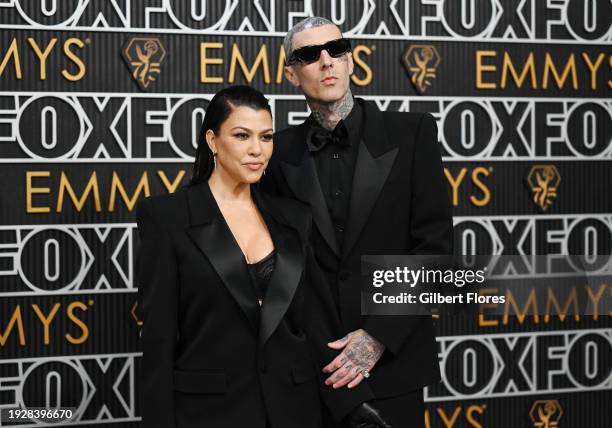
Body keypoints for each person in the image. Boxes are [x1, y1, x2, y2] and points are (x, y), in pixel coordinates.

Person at [261, 17, 454, 428]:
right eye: (309, 55)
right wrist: (325, 355)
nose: (326, 61)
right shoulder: (277, 155)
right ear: (291, 74)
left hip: (395, 364)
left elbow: (435, 254)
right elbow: (281, 272)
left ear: (351, 61)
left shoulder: (413, 133)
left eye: (336, 49)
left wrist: (377, 337)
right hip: (315, 372)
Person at [135, 85, 322, 428]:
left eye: (266, 137)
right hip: (209, 414)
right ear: (212, 140)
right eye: (241, 135)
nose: (257, 150)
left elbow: (310, 323)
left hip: (295, 411)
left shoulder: (294, 217)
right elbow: (158, 341)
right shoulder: (167, 218)